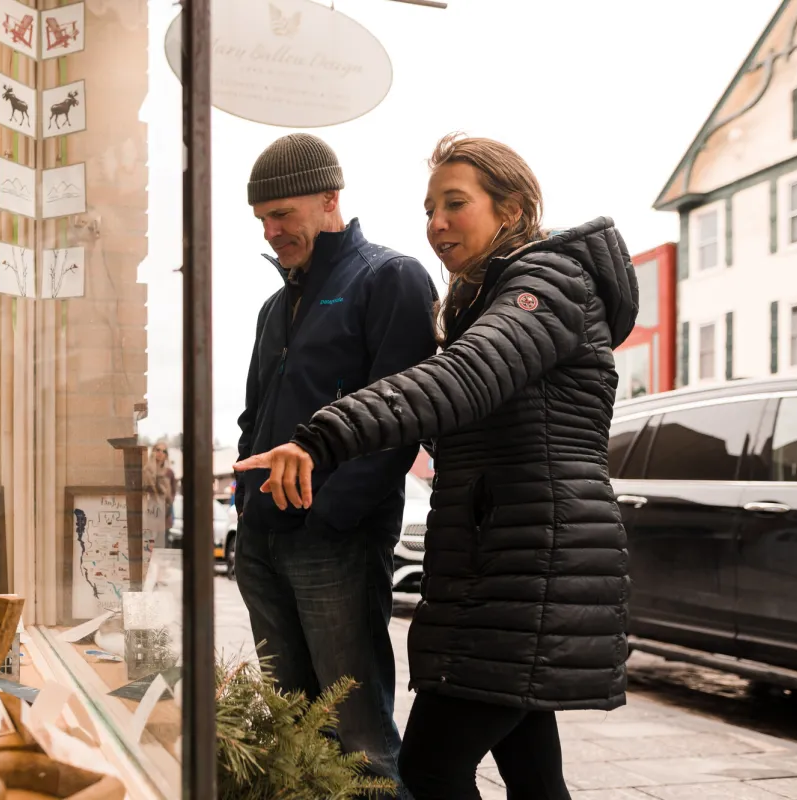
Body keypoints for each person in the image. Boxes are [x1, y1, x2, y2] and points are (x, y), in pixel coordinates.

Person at [235, 132, 637, 800]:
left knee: (428, 767)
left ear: (511, 207)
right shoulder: (484, 298)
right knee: (534, 775)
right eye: (429, 208)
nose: (436, 223)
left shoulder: (549, 283)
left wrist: (322, 440)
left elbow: (463, 377)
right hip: (497, 564)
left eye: (455, 203)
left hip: (532, 562)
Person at [235, 132, 439, 796]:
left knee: (360, 742)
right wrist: (249, 510)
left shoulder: (390, 277)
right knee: (292, 731)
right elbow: (252, 419)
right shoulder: (276, 306)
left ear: (330, 199)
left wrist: (328, 516)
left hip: (335, 544)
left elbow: (401, 415)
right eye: (262, 219)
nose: (271, 232)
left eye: (282, 215)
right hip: (263, 542)